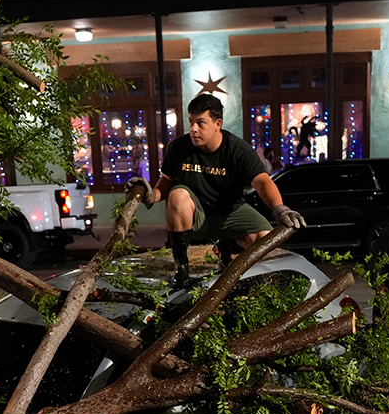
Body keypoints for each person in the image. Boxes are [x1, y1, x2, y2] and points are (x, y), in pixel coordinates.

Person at [129, 94, 304, 288]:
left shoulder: (238, 150)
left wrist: (279, 209)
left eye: (200, 123)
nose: (194, 129)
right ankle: (181, 268)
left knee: (266, 240)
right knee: (178, 194)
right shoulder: (178, 148)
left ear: (217, 123)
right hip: (196, 213)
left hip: (230, 211)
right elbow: (167, 180)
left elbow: (262, 181)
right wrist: (153, 195)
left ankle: (228, 246)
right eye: (191, 122)